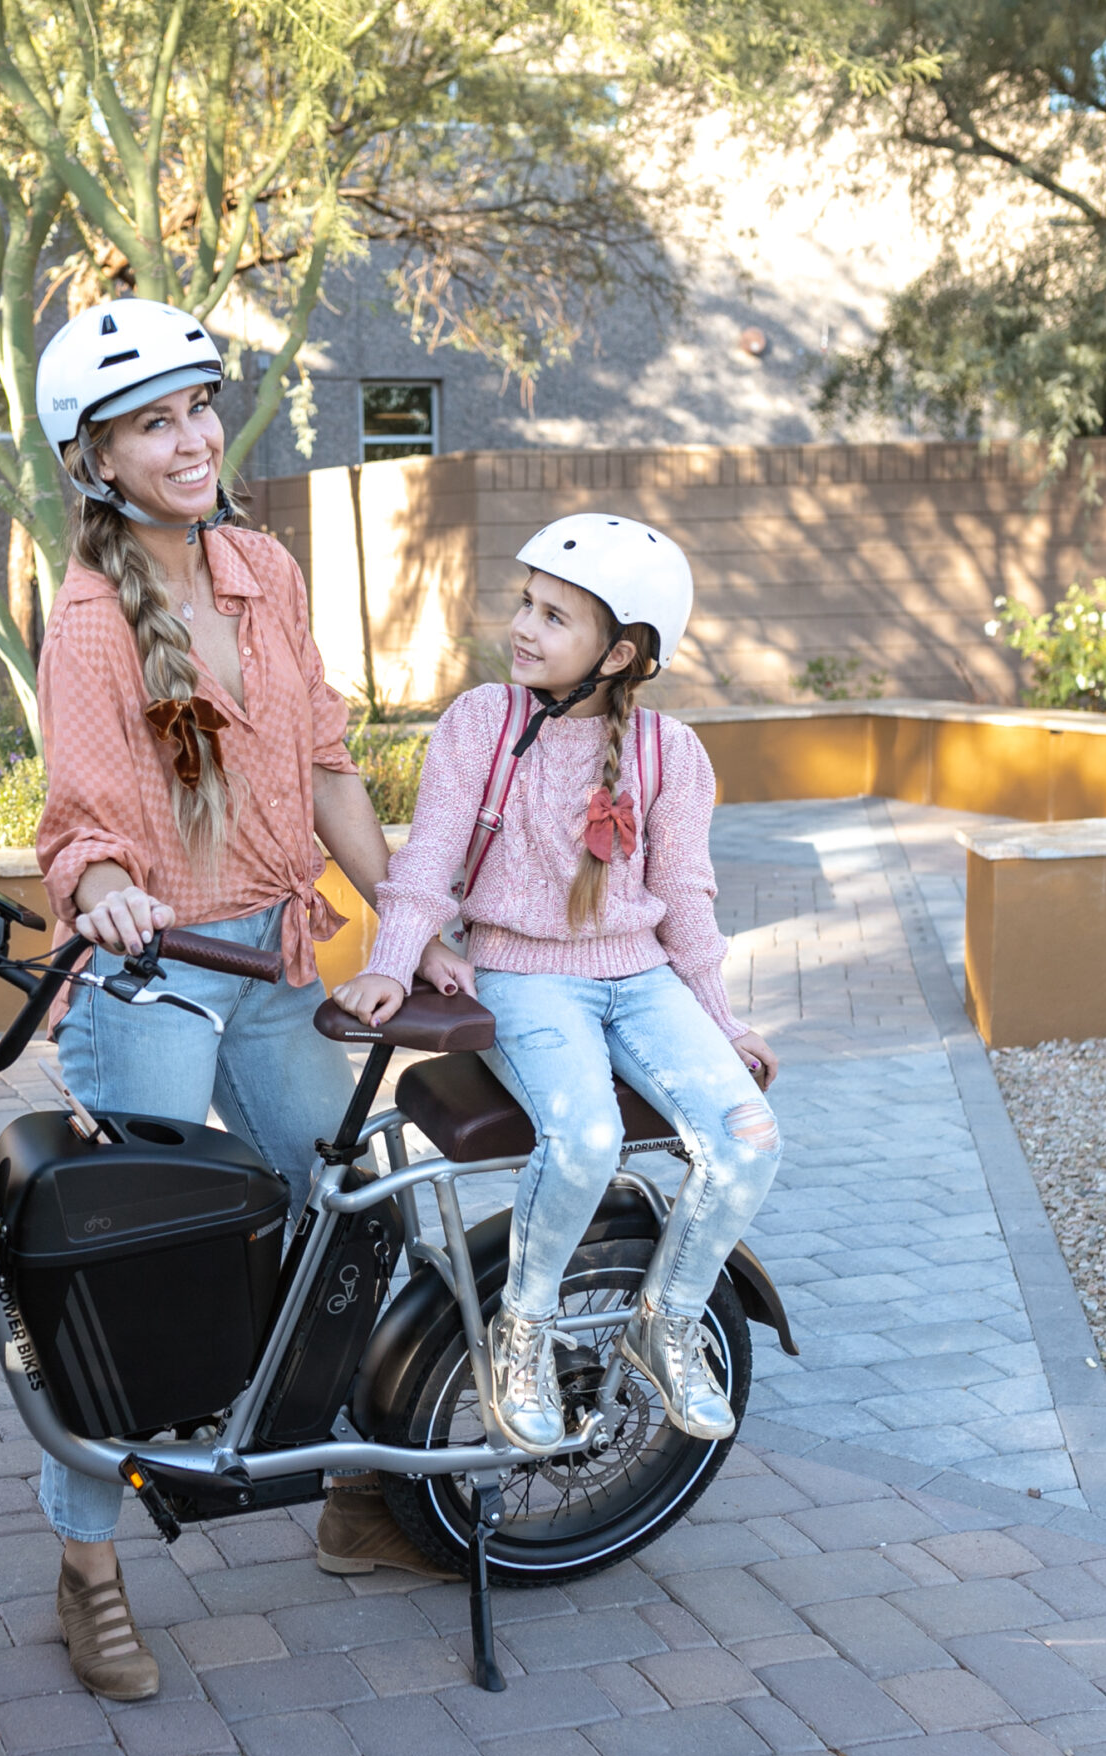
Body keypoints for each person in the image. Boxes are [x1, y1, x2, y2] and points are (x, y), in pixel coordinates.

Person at [29, 299, 476, 1702]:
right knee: (119, 1283)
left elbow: (330, 765)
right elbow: (82, 812)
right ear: (94, 459)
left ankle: (354, 1499)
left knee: (355, 1214)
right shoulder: (94, 614)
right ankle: (88, 1574)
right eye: (152, 422)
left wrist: (413, 918)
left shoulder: (264, 567)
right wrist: (102, 886)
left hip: (278, 963)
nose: (191, 437)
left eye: (198, 408)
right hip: (157, 977)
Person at [330, 513, 784, 1456]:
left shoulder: (670, 753)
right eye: (525, 603)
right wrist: (390, 959)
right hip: (524, 975)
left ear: (619, 653)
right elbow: (428, 866)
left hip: (644, 978)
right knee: (585, 1137)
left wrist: (721, 1022)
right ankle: (521, 1336)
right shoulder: (482, 724)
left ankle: (669, 1318)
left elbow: (686, 901)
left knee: (747, 1135)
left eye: (555, 616)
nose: (525, 627)